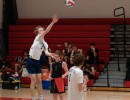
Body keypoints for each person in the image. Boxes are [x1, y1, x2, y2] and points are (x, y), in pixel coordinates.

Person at [26, 15, 59, 100]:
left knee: (39, 81)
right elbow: (47, 30)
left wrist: (51, 54)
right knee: (33, 81)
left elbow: (46, 52)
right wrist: (53, 22)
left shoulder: (45, 43)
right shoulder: (37, 38)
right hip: (30, 61)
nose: (43, 31)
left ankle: (41, 97)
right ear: (38, 33)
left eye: (42, 30)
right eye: (41, 30)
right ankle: (33, 98)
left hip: (37, 62)